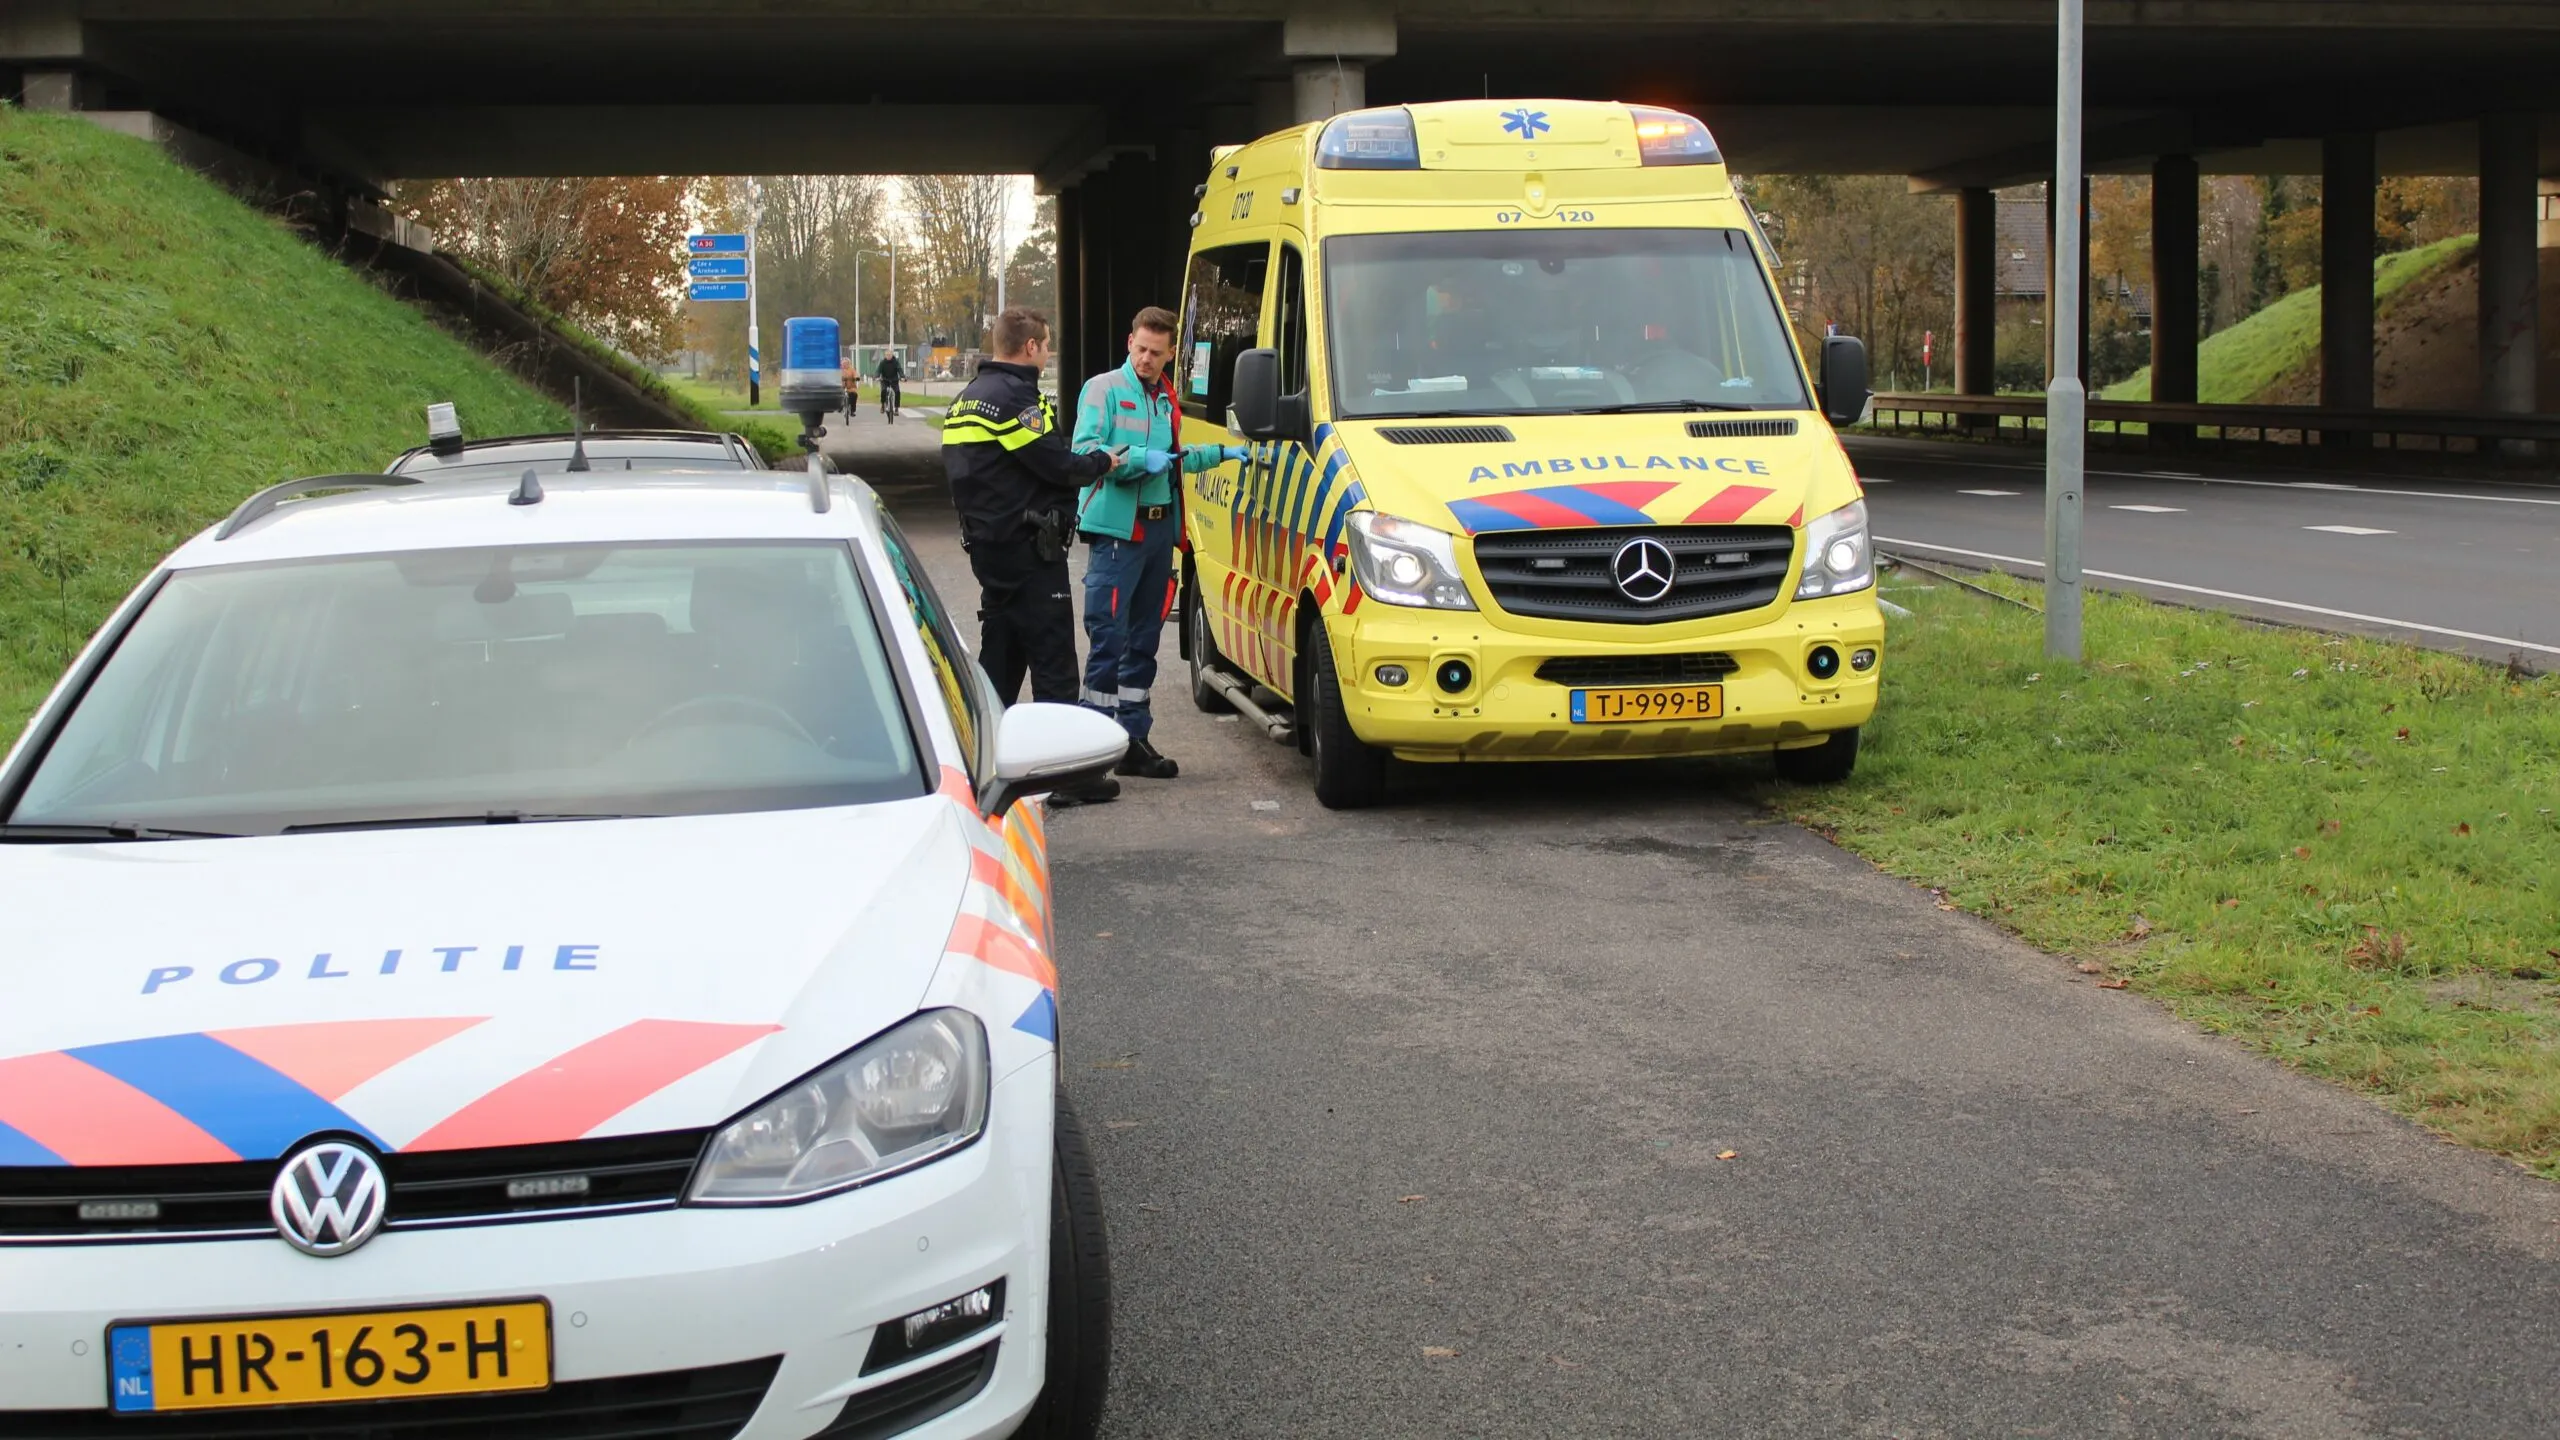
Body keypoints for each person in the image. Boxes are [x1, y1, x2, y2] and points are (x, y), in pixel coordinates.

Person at [941, 309, 1123, 803]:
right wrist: (1102, 462)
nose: (1047, 353)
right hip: (1028, 549)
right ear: (1030, 348)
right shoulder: (1014, 399)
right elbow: (1054, 464)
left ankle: (981, 759)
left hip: (990, 549)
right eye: (1046, 344)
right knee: (1053, 658)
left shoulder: (966, 400)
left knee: (1003, 655)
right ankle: (1066, 777)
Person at [1071, 306, 1250, 780]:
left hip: (1156, 532)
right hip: (1117, 534)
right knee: (1108, 639)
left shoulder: (1165, 398)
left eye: (1157, 352)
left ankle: (1133, 740)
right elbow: (1083, 452)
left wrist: (1221, 455)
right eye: (1141, 348)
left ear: (1171, 354)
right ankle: (1093, 752)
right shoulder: (1104, 389)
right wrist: (1131, 460)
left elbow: (1171, 460)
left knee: (1144, 641)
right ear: (1130, 342)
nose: (1147, 358)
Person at [875, 348, 904, 423]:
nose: (888, 356)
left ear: (892, 355)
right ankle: (882, 405)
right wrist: (877, 376)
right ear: (885, 356)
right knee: (883, 391)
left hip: (894, 380)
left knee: (897, 392)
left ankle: (896, 408)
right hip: (885, 380)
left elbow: (899, 369)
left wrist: (902, 376)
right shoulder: (882, 362)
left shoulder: (896, 362)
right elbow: (878, 370)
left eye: (890, 355)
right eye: (887, 355)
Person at [840, 354, 859, 420]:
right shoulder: (839, 370)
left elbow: (855, 374)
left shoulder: (851, 369)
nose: (845, 365)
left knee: (854, 395)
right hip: (841, 387)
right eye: (843, 363)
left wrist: (856, 378)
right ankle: (840, 407)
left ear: (849, 364)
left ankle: (852, 410)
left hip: (851, 387)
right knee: (839, 395)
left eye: (846, 363)